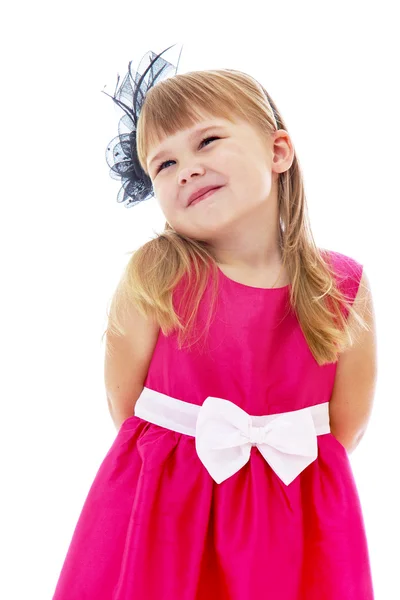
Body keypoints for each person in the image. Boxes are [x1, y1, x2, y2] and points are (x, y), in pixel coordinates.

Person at [52, 45, 377, 599]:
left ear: (278, 152)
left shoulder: (341, 284)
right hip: (168, 516)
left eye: (207, 141)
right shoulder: (157, 274)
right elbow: (125, 405)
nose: (189, 169)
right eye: (165, 164)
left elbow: (344, 426)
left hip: (294, 515)